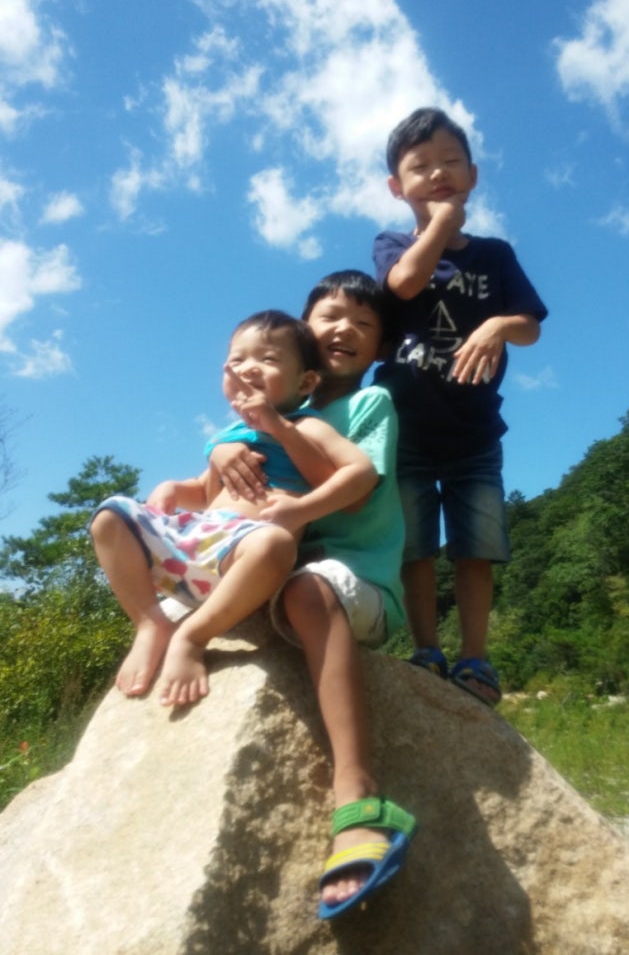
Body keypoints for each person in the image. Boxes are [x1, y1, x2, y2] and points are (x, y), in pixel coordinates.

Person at [210, 271, 417, 920]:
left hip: (355, 580)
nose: (343, 329)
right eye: (329, 316)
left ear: (381, 346)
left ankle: (357, 797)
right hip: (276, 576)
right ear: (303, 333)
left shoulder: (368, 404)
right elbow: (211, 489)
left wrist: (294, 507)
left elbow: (355, 487)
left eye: (363, 323)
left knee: (307, 588)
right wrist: (219, 460)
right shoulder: (268, 416)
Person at [89, 309, 377, 709]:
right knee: (110, 516)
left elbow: (361, 472)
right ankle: (150, 622)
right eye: (237, 359)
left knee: (275, 544)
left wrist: (301, 509)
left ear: (306, 382)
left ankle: (192, 636)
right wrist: (173, 488)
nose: (248, 368)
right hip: (195, 542)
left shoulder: (306, 426)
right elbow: (203, 490)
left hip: (244, 553)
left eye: (268, 359)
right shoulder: (230, 436)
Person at [373, 107, 548, 706]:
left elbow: (531, 327)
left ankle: (476, 659)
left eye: (451, 161)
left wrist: (498, 325)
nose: (438, 173)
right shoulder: (393, 245)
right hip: (409, 427)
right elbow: (404, 284)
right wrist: (443, 222)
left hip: (475, 431)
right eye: (420, 166)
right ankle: (427, 649)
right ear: (396, 187)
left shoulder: (495, 255)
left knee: (478, 546)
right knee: (416, 546)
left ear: (472, 174)